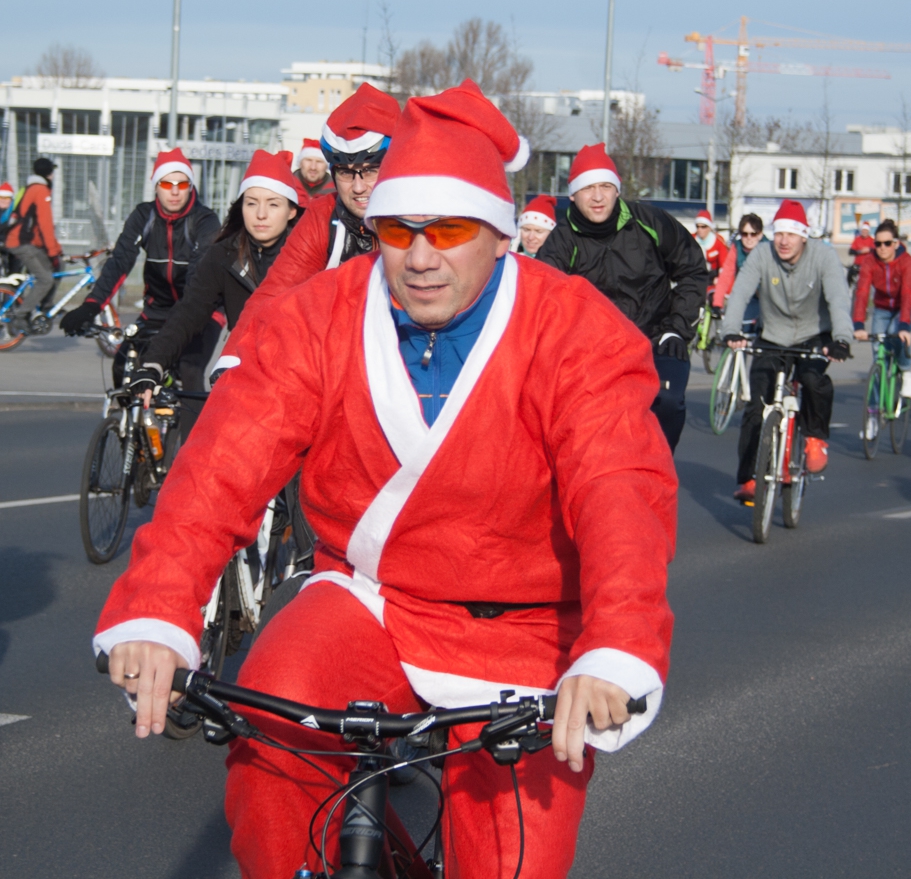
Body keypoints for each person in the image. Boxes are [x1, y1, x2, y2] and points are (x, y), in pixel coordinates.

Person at [96, 80, 673, 879]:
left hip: (525, 632)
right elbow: (226, 459)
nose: (423, 255)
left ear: (501, 233)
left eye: (452, 228)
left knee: (511, 862)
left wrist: (616, 644)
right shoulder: (322, 315)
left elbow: (620, 489)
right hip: (371, 602)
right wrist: (160, 607)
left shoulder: (573, 330)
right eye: (400, 229)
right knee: (272, 752)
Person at [536, 143, 710, 451]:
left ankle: (656, 469)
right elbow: (544, 300)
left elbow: (692, 269)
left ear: (617, 190)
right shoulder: (560, 242)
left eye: (605, 186)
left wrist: (677, 327)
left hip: (657, 338)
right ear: (573, 195)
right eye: (588, 188)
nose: (598, 196)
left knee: (668, 401)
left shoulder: (651, 221)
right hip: (594, 352)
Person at [126, 149, 305, 399]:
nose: (261, 214)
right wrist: (153, 364)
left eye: (273, 204)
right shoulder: (224, 254)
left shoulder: (309, 255)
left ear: (292, 211)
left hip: (299, 378)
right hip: (242, 371)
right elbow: (190, 311)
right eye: (251, 203)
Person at [228, 83, 400, 336]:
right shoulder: (324, 214)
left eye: (371, 170)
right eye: (345, 173)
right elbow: (276, 293)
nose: (358, 186)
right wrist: (235, 357)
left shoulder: (422, 215)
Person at [719, 200, 853, 503]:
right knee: (757, 404)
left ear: (804, 236)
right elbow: (739, 292)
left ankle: (815, 438)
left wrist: (842, 339)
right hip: (774, 335)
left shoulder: (824, 256)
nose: (783, 240)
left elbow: (838, 300)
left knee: (813, 381)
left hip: (814, 334)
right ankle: (749, 478)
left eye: (791, 234)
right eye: (779, 233)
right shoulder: (762, 255)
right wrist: (730, 329)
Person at [59, 148, 221, 388]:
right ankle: (126, 422)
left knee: (189, 371)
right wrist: (91, 305)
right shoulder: (143, 216)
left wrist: (181, 324)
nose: (175, 191)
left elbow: (200, 273)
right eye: (167, 184)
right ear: (156, 186)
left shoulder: (205, 220)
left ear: (190, 186)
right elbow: (120, 260)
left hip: (201, 310)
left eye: (182, 183)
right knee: (122, 365)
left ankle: (190, 426)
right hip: (157, 309)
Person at [852, 219, 911, 396]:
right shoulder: (870, 261)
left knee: (895, 334)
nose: (882, 248)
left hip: (910, 306)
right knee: (878, 353)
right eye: (878, 244)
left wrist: (904, 325)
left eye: (887, 243)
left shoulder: (906, 261)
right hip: (882, 308)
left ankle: (906, 371)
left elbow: (907, 293)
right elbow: (862, 292)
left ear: (896, 244)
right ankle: (874, 412)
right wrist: (858, 323)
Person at [3, 157, 62, 324]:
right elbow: (45, 225)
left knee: (58, 267)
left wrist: (56, 250)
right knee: (46, 279)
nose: (53, 176)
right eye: (52, 172)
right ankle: (22, 315)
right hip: (20, 243)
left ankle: (45, 306)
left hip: (24, 241)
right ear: (48, 173)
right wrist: (52, 252)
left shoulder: (31, 187)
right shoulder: (41, 190)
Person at [694, 209, 729, 275]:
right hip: (695, 274)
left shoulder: (718, 241)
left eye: (703, 227)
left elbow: (723, 263)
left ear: (709, 227)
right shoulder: (692, 239)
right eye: (697, 226)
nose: (699, 229)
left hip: (713, 275)